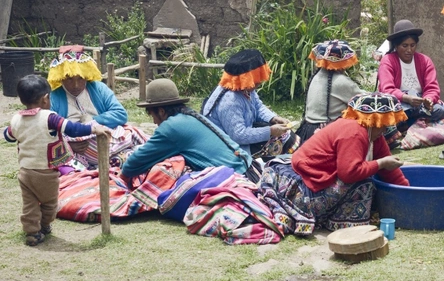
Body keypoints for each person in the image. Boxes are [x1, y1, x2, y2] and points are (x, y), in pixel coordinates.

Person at [259, 92, 409, 235]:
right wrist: (380, 163)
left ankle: (337, 218)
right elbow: (349, 173)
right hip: (304, 186)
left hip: (315, 179)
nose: (386, 128)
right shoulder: (355, 132)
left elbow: (392, 173)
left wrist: (407, 192)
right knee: (364, 184)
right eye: (385, 123)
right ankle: (343, 223)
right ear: (376, 120)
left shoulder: (374, 135)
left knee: (367, 178)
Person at [3, 75, 110, 246]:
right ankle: (44, 225)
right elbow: (73, 129)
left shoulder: (16, 119)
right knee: (50, 203)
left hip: (25, 171)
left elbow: (8, 136)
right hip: (47, 172)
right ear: (45, 99)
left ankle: (32, 232)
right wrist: (93, 127)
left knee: (29, 204)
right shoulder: (50, 117)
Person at [121, 79, 255, 184]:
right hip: (248, 167)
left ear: (161, 111)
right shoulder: (189, 116)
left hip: (234, 176)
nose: (154, 122)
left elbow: (131, 166)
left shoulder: (171, 127)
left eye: (152, 116)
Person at [47, 47, 138, 167]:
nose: (76, 85)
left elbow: (120, 114)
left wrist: (92, 121)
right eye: (69, 79)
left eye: (80, 78)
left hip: (107, 140)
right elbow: (48, 131)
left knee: (132, 139)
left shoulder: (99, 88)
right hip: (76, 150)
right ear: (61, 77)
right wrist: (68, 146)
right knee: (66, 168)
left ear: (87, 74)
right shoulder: (54, 97)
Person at [202, 49, 298, 159]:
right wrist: (270, 131)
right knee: (281, 141)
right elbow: (239, 135)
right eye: (257, 79)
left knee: (287, 135)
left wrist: (273, 118)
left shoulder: (245, 89)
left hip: (240, 138)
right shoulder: (230, 100)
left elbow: (258, 106)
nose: (259, 82)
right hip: (228, 149)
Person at [377, 19, 444, 132]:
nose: (409, 50)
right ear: (396, 45)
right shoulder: (388, 61)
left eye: (412, 45)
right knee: (398, 114)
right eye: (404, 46)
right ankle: (419, 121)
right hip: (399, 103)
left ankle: (410, 123)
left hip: (420, 103)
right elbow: (386, 89)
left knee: (439, 110)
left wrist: (428, 100)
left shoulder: (425, 61)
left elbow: (432, 87)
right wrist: (407, 98)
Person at [296, 40, 365, 144]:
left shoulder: (316, 76)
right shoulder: (341, 82)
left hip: (307, 130)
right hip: (325, 130)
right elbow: (363, 99)